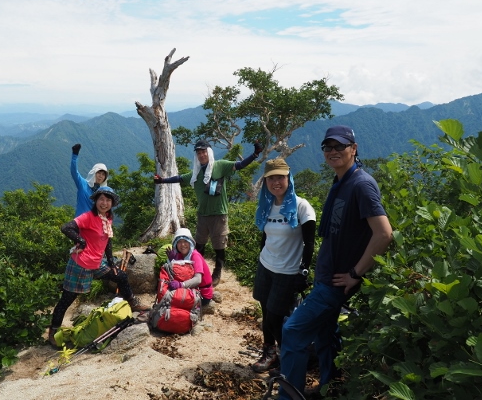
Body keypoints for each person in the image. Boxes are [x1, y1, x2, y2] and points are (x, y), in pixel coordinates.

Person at [276, 125, 393, 398]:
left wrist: (355, 273)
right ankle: (331, 387)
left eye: (340, 146)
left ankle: (289, 396)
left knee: (292, 331)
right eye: (328, 147)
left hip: (336, 282)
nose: (333, 151)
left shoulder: (362, 185)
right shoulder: (341, 181)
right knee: (326, 335)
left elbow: (384, 233)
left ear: (354, 149)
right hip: (326, 277)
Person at [48, 186, 149, 347]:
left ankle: (132, 302)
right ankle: (53, 332)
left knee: (121, 276)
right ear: (95, 201)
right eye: (101, 199)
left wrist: (110, 262)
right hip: (80, 264)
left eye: (108, 200)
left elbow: (107, 240)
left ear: (112, 203)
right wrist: (80, 241)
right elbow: (66, 227)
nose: (104, 203)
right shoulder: (88, 217)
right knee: (67, 299)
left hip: (97, 263)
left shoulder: (108, 218)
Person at [154, 140, 263, 286]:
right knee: (199, 245)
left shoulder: (220, 166)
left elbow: (239, 165)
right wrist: (162, 181)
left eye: (204, 151)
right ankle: (197, 271)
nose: (201, 155)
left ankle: (217, 272)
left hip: (219, 214)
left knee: (219, 246)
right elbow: (179, 178)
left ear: (209, 152)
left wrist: (255, 154)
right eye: (199, 153)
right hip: (202, 215)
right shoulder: (196, 173)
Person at [250, 158, 316, 373]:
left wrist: (303, 271)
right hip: (266, 266)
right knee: (266, 312)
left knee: (275, 318)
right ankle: (270, 353)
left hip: (287, 272)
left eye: (280, 177)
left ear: (289, 178)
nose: (275, 182)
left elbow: (309, 243)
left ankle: (291, 356)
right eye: (270, 178)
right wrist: (260, 258)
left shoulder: (301, 206)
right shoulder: (267, 205)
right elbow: (265, 237)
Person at [165, 227, 214, 312]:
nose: (182, 245)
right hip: (192, 289)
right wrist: (171, 261)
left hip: (202, 294)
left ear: (190, 242)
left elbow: (198, 279)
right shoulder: (180, 255)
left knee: (172, 304)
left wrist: (181, 285)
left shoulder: (195, 256)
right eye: (179, 242)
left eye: (185, 241)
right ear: (176, 244)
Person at [70, 143, 109, 217]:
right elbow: (74, 172)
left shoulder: (102, 192)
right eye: (99, 173)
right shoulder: (82, 184)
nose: (101, 176)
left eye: (103, 174)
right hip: (80, 224)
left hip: (94, 226)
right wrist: (75, 155)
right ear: (94, 173)